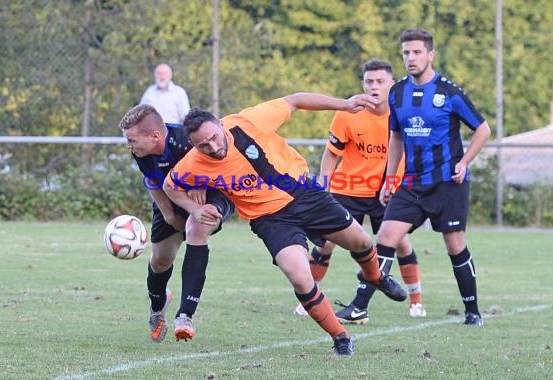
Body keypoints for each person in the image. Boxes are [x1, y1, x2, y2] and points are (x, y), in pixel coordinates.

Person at [162, 92, 408, 356]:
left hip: (305, 194)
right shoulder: (192, 164)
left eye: (214, 138)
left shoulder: (248, 122)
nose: (213, 147)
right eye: (203, 146)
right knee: (301, 279)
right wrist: (195, 209)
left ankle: (375, 276)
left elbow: (296, 99)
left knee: (361, 242)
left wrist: (345, 105)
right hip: (271, 220)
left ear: (221, 125)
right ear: (193, 145)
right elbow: (169, 186)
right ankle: (341, 337)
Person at [293, 58, 426, 323]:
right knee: (327, 241)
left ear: (392, 84)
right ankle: (310, 299)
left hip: (387, 189)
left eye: (380, 82)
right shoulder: (347, 113)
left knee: (399, 241)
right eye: (369, 82)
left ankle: (416, 301)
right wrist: (324, 187)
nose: (374, 87)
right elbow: (332, 154)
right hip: (348, 188)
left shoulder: (404, 114)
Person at [378, 28, 491, 326]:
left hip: (447, 184)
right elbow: (397, 138)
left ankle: (473, 312)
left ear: (430, 55)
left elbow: (483, 129)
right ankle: (360, 305)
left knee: (454, 245)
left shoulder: (449, 92)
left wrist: (465, 162)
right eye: (406, 52)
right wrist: (390, 180)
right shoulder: (397, 93)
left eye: (416, 52)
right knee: (386, 237)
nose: (411, 58)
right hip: (411, 184)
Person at [118, 104, 235, 343]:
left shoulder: (186, 138)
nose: (128, 145)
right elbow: (153, 181)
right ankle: (157, 306)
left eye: (131, 140)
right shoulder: (140, 152)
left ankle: (185, 316)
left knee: (197, 226)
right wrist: (169, 215)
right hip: (169, 196)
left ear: (155, 136)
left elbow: (215, 157)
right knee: (160, 260)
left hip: (212, 191)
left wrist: (200, 181)